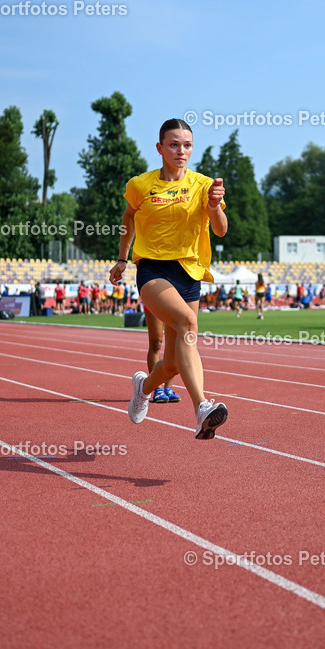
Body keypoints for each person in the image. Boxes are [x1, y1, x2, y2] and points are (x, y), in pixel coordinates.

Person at [111, 118, 229, 439]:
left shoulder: (203, 185)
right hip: (153, 270)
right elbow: (128, 218)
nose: (181, 151)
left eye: (187, 145)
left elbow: (220, 229)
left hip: (189, 273)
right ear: (160, 148)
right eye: (174, 145)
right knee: (189, 323)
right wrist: (122, 259)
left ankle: (143, 387)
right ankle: (202, 407)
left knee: (174, 363)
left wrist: (215, 206)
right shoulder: (140, 185)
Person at [144, 304, 181, 404]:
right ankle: (157, 388)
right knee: (156, 343)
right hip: (154, 295)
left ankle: (168, 388)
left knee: (173, 343)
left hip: (174, 297)